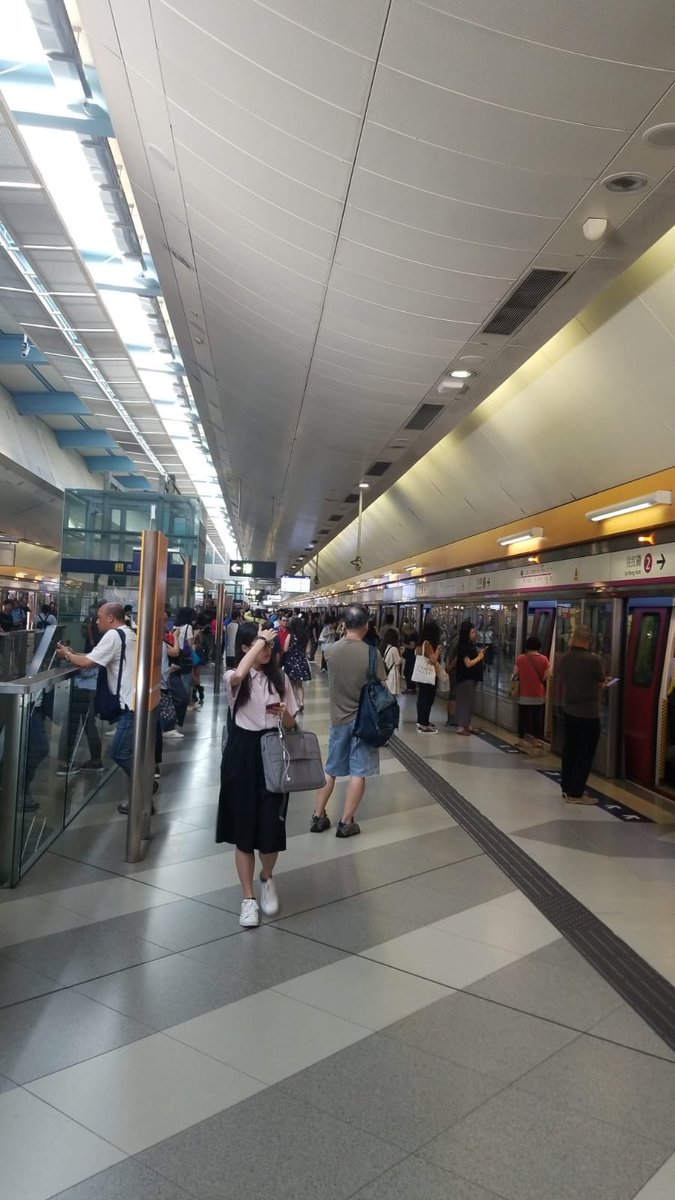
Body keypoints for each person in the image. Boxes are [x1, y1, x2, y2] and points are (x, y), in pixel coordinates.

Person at [216, 622, 298, 928]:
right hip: (242, 754)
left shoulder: (281, 679)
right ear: (245, 649)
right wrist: (258, 642)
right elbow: (238, 674)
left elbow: (291, 724)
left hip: (273, 751)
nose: (267, 651)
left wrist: (284, 714)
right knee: (243, 831)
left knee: (271, 828)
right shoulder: (234, 678)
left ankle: (266, 877)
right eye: (260, 646)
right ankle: (248, 898)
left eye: (269, 646)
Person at [311, 604, 386, 838]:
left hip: (338, 719)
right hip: (365, 723)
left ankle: (318, 815)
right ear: (366, 626)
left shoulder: (331, 651)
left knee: (331, 769)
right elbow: (382, 686)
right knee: (358, 772)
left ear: (344, 625)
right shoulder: (373, 654)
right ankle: (345, 822)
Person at [56, 602, 137, 810]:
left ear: (110, 618)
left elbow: (86, 664)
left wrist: (66, 655)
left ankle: (144, 786)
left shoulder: (113, 635)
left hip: (129, 705)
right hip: (134, 701)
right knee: (127, 751)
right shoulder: (126, 633)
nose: (96, 621)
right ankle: (140, 796)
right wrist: (73, 653)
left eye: (99, 617)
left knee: (119, 752)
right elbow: (92, 658)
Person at [557, 625, 605, 804]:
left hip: (569, 711)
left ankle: (566, 787)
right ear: (588, 641)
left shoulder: (565, 658)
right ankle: (576, 793)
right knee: (584, 754)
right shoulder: (593, 660)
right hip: (588, 713)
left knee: (570, 750)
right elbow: (600, 680)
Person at [514, 635, 551, 748]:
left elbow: (515, 673)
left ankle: (521, 740)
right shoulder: (544, 659)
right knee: (536, 718)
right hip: (538, 694)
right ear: (539, 646)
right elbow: (546, 676)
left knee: (523, 717)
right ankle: (536, 741)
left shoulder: (520, 658)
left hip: (523, 693)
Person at [455, 620, 486, 735]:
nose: (475, 634)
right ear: (467, 633)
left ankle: (467, 724)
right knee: (464, 702)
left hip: (472, 678)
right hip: (465, 678)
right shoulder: (464, 647)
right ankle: (461, 726)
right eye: (473, 632)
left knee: (470, 702)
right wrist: (479, 657)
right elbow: (468, 663)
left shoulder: (470, 645)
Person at [415, 620, 441, 732]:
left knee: (422, 697)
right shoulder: (428, 644)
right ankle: (424, 722)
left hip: (421, 674)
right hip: (428, 675)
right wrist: (438, 651)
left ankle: (422, 720)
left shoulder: (420, 644)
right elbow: (433, 659)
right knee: (427, 698)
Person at [284, 616, 312, 711]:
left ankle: (293, 704)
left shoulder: (290, 636)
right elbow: (308, 651)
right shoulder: (304, 637)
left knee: (291, 685)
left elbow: (285, 649)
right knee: (299, 685)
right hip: (301, 661)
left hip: (291, 661)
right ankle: (301, 702)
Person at [444, 625, 459, 727]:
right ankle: (452, 718)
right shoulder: (459, 641)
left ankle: (450, 717)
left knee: (452, 695)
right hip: (455, 672)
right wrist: (450, 668)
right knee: (454, 695)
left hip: (452, 671)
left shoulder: (454, 641)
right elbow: (456, 658)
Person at [379, 627, 402, 696]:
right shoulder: (394, 649)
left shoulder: (388, 647)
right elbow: (398, 661)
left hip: (387, 671)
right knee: (392, 693)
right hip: (392, 673)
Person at [401, 623, 418, 693]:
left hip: (411, 656)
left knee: (408, 672)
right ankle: (411, 687)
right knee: (409, 671)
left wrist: (404, 645)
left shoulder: (412, 636)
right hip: (413, 656)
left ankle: (410, 688)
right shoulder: (416, 634)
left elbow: (412, 646)